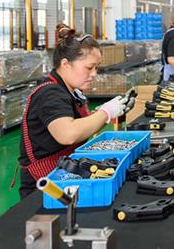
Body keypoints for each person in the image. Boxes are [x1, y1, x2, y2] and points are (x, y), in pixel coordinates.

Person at [14, 28, 135, 198]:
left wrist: (108, 113)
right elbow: (68, 134)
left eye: (97, 68)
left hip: (65, 173)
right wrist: (106, 112)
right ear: (66, 64)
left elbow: (80, 127)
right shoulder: (50, 93)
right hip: (44, 185)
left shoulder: (70, 91)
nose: (94, 74)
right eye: (89, 67)